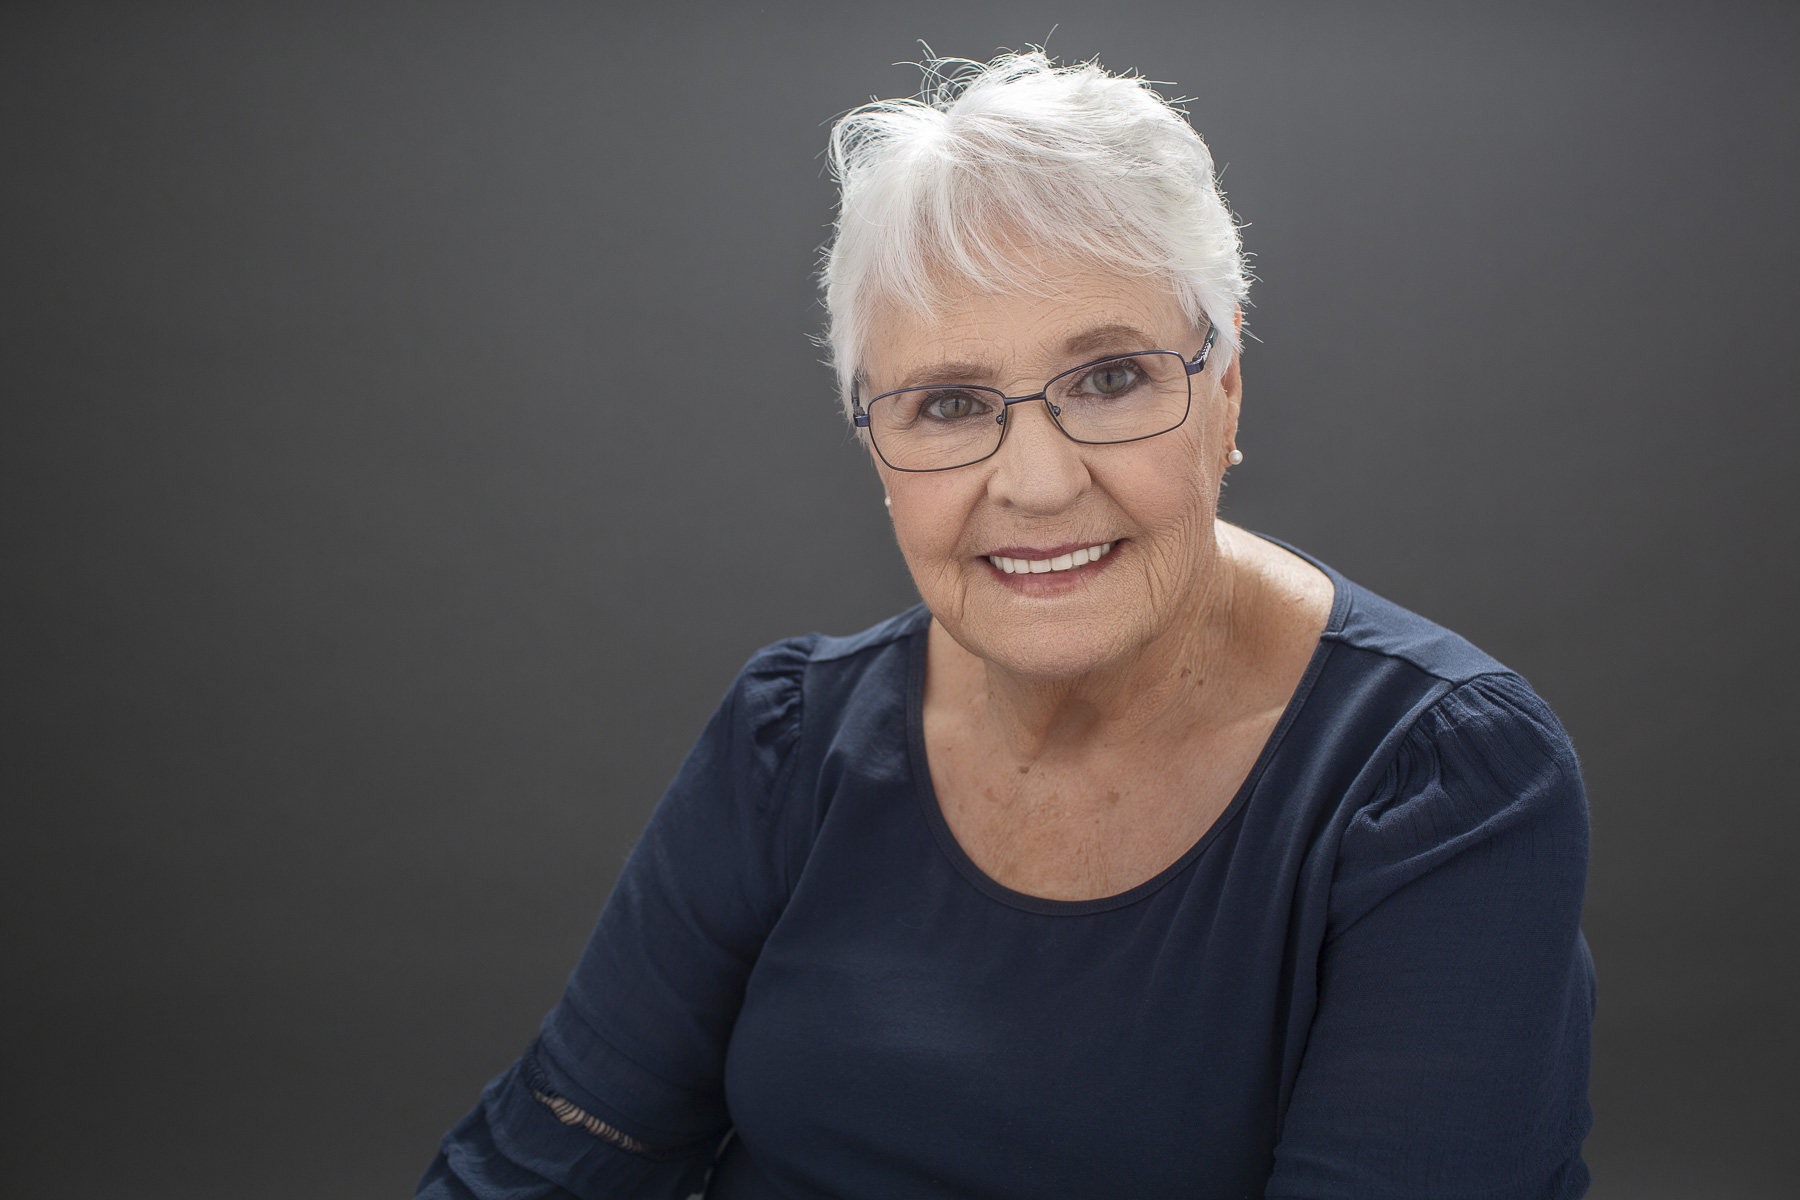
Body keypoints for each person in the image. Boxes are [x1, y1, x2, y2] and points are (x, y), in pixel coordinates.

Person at [417, 52, 1593, 1199]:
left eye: (1111, 379)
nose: (1035, 484)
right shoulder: (789, 741)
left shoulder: (1439, 784)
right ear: (875, 446)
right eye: (948, 404)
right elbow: (548, 1158)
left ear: (1224, 386)